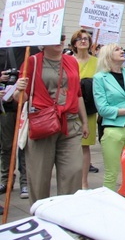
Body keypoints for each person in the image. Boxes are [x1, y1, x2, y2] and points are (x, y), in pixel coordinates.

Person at [14, 35, 89, 204]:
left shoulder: (71, 61)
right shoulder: (32, 61)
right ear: (43, 41)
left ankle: (66, 216)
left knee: (74, 171)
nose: (60, 40)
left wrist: (84, 121)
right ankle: (40, 213)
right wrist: (18, 89)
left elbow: (77, 94)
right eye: (54, 37)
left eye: (62, 37)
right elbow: (22, 97)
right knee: (39, 176)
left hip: (69, 123)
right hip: (43, 124)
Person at [92, 43, 125, 191]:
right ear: (108, 55)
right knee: (111, 172)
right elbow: (102, 108)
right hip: (113, 129)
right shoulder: (100, 78)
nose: (122, 51)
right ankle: (109, 202)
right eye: (117, 49)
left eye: (122, 49)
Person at [0, 45, 32, 200]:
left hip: (24, 105)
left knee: (23, 145)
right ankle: (5, 179)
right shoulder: (2, 50)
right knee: (6, 145)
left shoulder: (32, 49)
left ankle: (25, 181)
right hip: (5, 106)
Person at [70, 29, 100, 190]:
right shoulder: (68, 60)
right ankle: (70, 180)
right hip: (69, 107)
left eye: (86, 39)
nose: (83, 41)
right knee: (68, 145)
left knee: (84, 145)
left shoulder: (96, 62)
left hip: (88, 109)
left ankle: (83, 182)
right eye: (79, 39)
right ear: (74, 43)